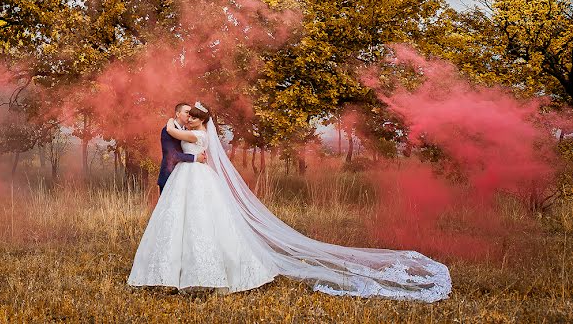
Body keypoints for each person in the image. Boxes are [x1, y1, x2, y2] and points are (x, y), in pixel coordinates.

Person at [128, 102, 452, 301]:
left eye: (191, 117)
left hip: (195, 182)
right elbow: (194, 152)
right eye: (186, 118)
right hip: (191, 178)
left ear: (199, 122)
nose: (186, 121)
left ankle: (203, 274)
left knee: (201, 224)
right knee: (185, 223)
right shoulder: (201, 135)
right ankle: (177, 272)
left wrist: (171, 122)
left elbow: (175, 132)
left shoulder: (196, 134)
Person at [156, 102, 205, 195]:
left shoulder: (188, 131)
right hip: (169, 174)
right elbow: (172, 155)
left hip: (185, 176)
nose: (189, 115)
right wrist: (195, 157)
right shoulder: (167, 130)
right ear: (178, 114)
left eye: (190, 113)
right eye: (186, 112)